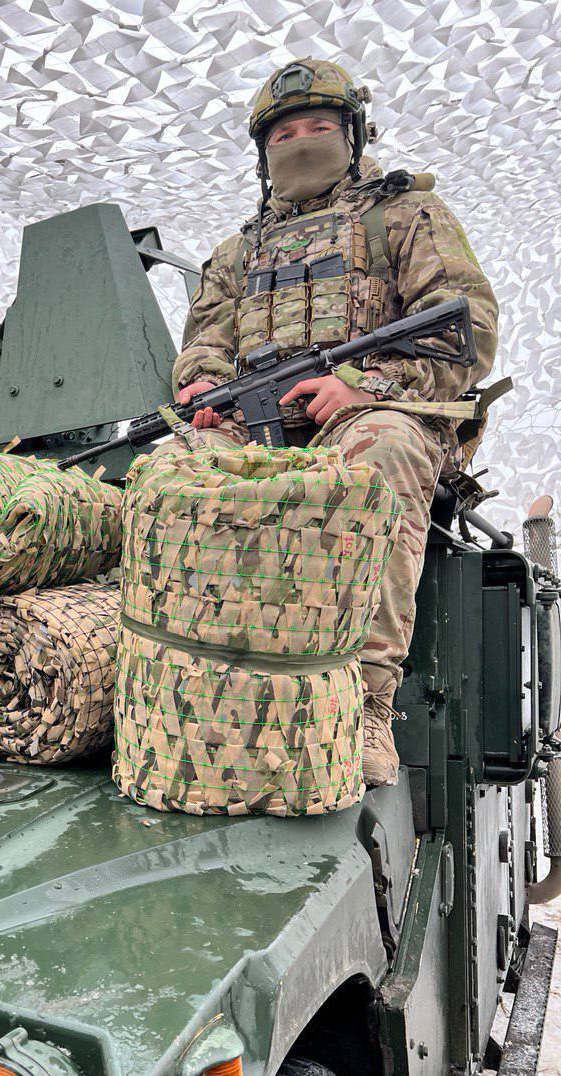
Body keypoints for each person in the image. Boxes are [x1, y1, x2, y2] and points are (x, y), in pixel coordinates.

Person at [170, 57, 499, 786]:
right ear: (264, 152)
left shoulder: (404, 214)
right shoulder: (237, 252)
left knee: (378, 452)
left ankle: (364, 704)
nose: (303, 140)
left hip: (374, 414)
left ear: (352, 135)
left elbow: (466, 329)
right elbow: (205, 346)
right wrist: (204, 388)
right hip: (260, 423)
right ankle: (189, 684)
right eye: (286, 132)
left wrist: (361, 383)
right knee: (174, 467)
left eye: (320, 126)